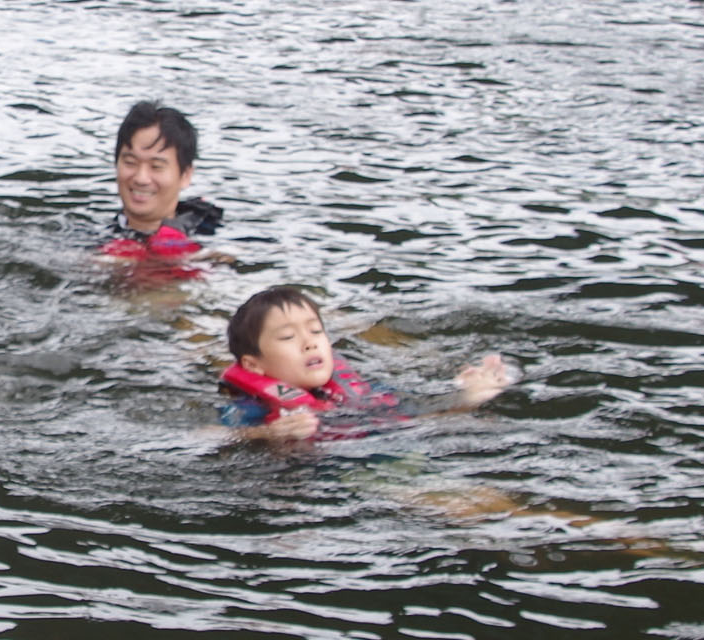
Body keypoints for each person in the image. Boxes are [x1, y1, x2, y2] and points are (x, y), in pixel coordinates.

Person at [217, 286, 512, 440]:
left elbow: (409, 415)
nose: (309, 342)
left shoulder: (362, 390)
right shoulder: (254, 409)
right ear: (254, 366)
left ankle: (476, 393)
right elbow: (211, 437)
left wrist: (460, 396)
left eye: (316, 331)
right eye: (287, 337)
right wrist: (268, 434)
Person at [99, 102, 223, 264]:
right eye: (130, 162)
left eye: (156, 166)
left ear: (185, 175)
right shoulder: (92, 241)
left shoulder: (216, 243)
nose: (141, 178)